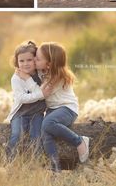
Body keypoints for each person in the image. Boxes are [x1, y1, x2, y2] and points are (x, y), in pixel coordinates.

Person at [35, 42, 89, 172]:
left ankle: (79, 141)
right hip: (52, 110)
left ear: (49, 64)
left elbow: (40, 94)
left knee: (47, 123)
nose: (34, 61)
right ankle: (55, 169)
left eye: (37, 59)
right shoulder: (41, 70)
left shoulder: (57, 77)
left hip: (67, 109)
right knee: (45, 133)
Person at [6, 41, 51, 160]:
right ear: (17, 62)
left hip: (37, 113)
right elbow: (22, 98)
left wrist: (40, 93)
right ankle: (9, 161)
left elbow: (46, 92)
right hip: (20, 113)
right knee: (17, 134)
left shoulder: (41, 74)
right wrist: (40, 94)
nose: (25, 64)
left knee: (36, 135)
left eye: (29, 60)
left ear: (35, 60)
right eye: (21, 61)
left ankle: (38, 162)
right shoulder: (16, 78)